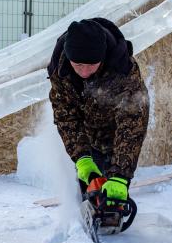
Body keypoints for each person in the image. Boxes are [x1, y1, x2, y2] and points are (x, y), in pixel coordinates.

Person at [47, 18, 150, 203]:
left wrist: (121, 174)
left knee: (112, 188)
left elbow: (133, 121)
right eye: (78, 65)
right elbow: (66, 117)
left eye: (91, 65)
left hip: (114, 135)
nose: (85, 72)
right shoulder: (59, 70)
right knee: (88, 185)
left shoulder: (123, 71)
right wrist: (81, 157)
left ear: (102, 58)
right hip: (84, 134)